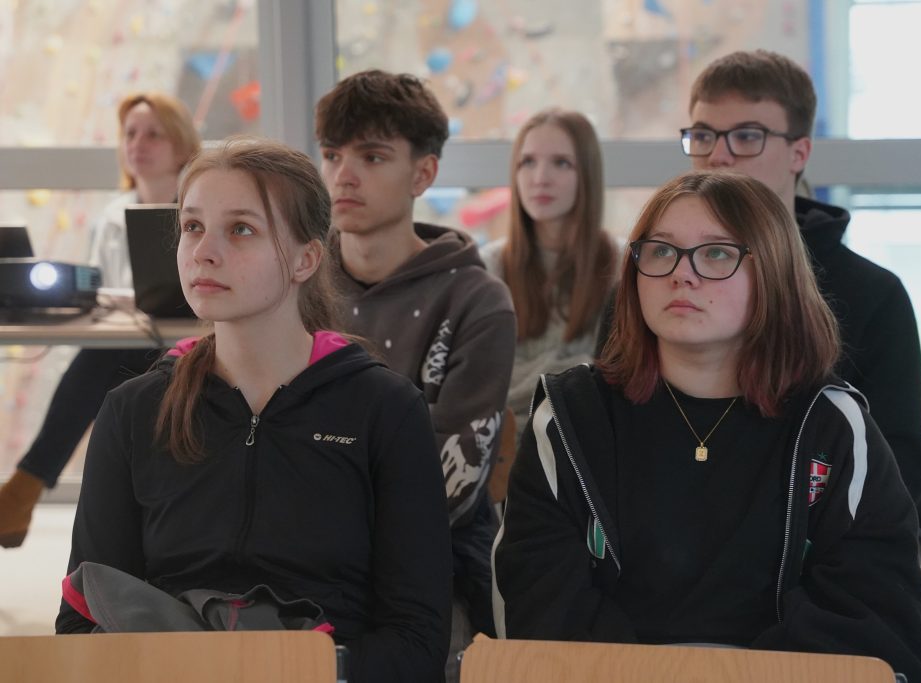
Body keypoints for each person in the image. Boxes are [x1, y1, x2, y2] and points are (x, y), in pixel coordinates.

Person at [493, 171, 921, 682]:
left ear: (773, 273)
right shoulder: (570, 418)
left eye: (717, 253)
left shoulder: (832, 427)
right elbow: (540, 608)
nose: (682, 274)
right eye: (661, 251)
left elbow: (872, 616)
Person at [56, 138, 453, 681]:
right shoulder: (133, 411)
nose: (204, 251)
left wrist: (298, 672)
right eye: (193, 226)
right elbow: (84, 616)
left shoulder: (385, 410)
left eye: (241, 229)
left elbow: (417, 638)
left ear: (306, 259)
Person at [683, 49, 921, 551]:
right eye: (702, 136)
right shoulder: (653, 281)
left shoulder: (873, 295)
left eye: (747, 136)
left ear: (799, 152)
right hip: (669, 554)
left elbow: (900, 471)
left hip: (817, 560)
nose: (718, 156)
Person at [314, 70, 516, 678]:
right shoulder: (294, 283)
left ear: (423, 174)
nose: (344, 176)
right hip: (295, 557)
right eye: (332, 155)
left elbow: (451, 481)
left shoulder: (477, 300)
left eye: (372, 157)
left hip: (430, 567)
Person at [0, 92, 201, 549]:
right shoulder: (112, 214)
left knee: (99, 362)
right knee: (103, 359)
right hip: (129, 344)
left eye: (153, 134)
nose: (138, 144)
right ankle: (27, 492)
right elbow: (102, 289)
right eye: (130, 134)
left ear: (181, 145)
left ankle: (25, 488)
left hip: (191, 341)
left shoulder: (199, 208)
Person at [480, 108, 618, 444]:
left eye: (561, 163)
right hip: (505, 451)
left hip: (590, 450)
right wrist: (578, 375)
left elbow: (623, 383)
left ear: (587, 173)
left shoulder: (622, 264)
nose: (540, 178)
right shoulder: (488, 268)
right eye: (527, 162)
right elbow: (482, 388)